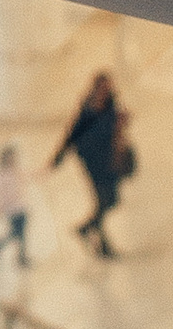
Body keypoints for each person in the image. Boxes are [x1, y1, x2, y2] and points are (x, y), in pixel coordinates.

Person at [54, 73, 131, 258]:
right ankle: (102, 245)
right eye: (103, 87)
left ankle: (87, 228)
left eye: (108, 87)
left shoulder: (111, 105)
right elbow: (73, 133)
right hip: (93, 161)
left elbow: (114, 128)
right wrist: (59, 156)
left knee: (111, 200)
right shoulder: (88, 110)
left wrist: (121, 122)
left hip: (109, 159)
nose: (106, 91)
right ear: (96, 88)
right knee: (104, 200)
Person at [0, 146, 29, 273]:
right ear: (4, 159)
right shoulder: (1, 175)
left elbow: (23, 181)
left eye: (13, 157)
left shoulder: (15, 171)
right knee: (16, 233)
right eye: (9, 157)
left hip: (21, 207)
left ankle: (20, 257)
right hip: (11, 210)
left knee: (21, 234)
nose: (11, 159)